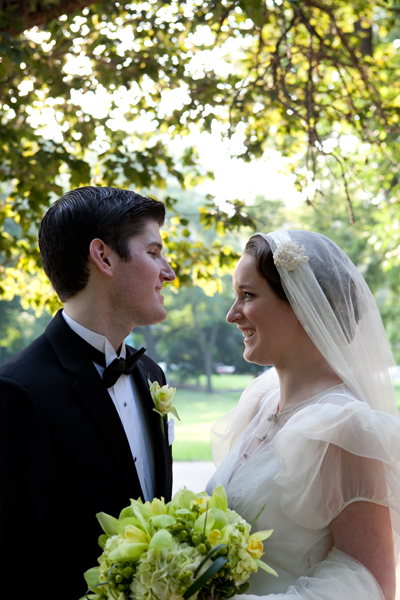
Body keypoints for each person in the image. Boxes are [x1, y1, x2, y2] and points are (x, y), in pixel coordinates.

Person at [0, 186, 176, 600]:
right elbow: (16, 566)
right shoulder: (18, 394)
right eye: (153, 253)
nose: (168, 271)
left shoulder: (152, 375)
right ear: (104, 257)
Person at [207, 229, 400, 600]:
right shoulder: (261, 401)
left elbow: (371, 583)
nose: (233, 314)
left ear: (302, 303)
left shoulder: (343, 425)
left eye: (247, 295)